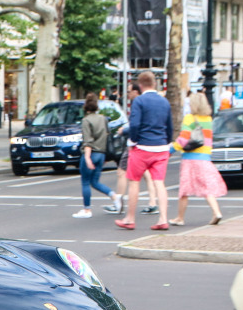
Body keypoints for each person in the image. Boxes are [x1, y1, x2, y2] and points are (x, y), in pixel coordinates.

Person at [115, 70, 173, 231]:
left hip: (142, 147)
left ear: (140, 85)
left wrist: (133, 140)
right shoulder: (164, 102)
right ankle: (163, 218)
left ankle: (130, 218)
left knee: (134, 183)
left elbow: (134, 124)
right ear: (155, 83)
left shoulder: (139, 101)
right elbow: (170, 126)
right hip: (161, 147)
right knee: (159, 183)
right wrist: (166, 142)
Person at [168, 92, 225, 226]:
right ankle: (216, 212)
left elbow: (183, 139)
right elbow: (208, 140)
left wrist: (171, 149)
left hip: (190, 158)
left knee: (184, 189)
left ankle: (180, 218)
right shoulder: (208, 120)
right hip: (205, 157)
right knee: (207, 187)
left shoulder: (190, 119)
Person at [105, 82, 156, 215]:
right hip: (147, 143)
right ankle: (153, 203)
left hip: (135, 143)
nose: (128, 94)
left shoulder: (137, 103)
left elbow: (136, 125)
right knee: (147, 174)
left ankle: (118, 202)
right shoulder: (149, 103)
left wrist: (124, 131)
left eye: (129, 91)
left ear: (136, 92)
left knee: (122, 171)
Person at [73, 94, 119, 218]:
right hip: (101, 154)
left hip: (91, 153)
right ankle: (114, 197)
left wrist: (87, 158)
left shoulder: (86, 120)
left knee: (86, 182)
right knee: (95, 182)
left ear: (85, 106)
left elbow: (88, 141)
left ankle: (87, 210)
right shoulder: (103, 119)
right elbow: (106, 135)